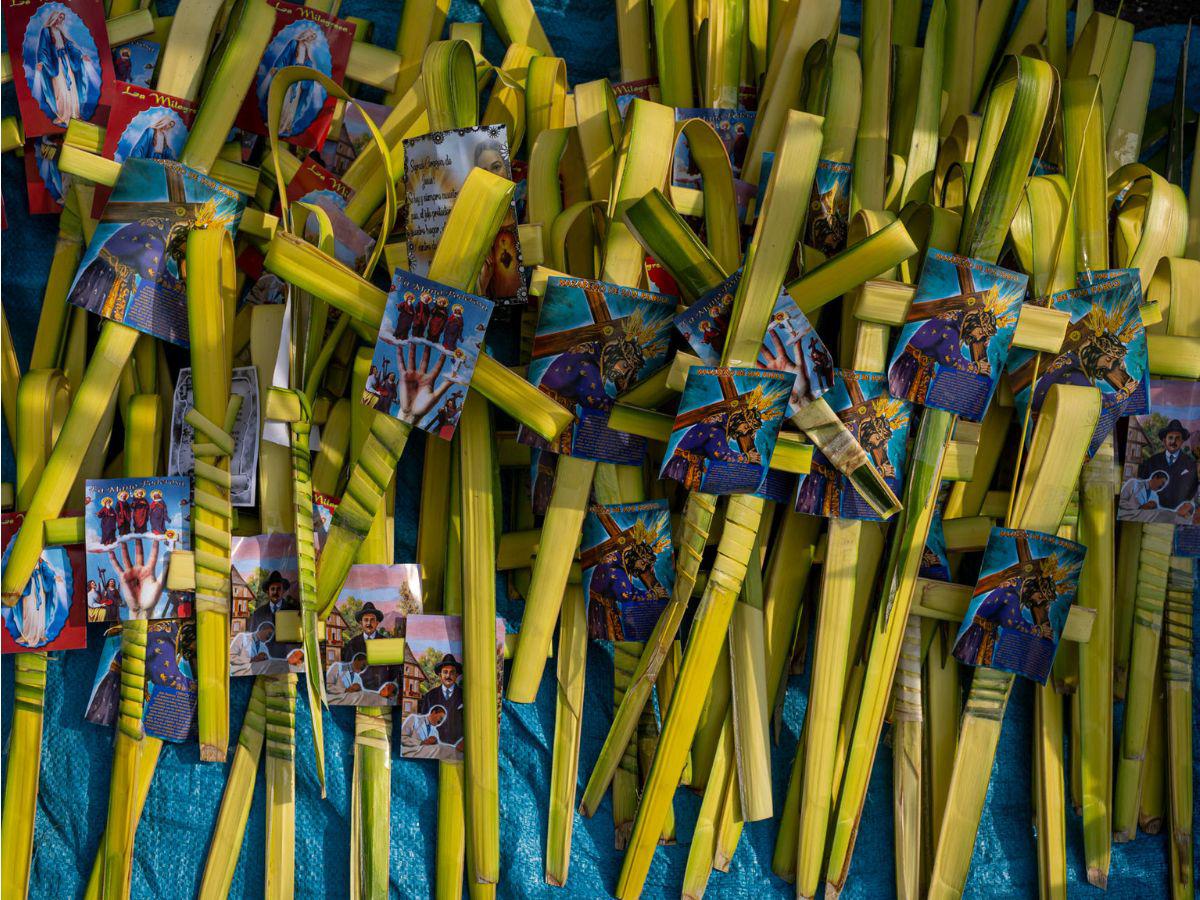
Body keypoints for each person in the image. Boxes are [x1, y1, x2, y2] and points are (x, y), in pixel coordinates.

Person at [889, 305, 998, 403]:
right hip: (911, 369)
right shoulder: (951, 331)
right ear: (974, 322)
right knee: (902, 401)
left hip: (914, 366)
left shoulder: (957, 318)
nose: (978, 337)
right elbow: (952, 362)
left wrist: (983, 339)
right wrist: (976, 367)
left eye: (982, 336)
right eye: (980, 333)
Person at [32, 9, 100, 127]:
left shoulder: (61, 31)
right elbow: (43, 48)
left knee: (72, 88)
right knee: (60, 89)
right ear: (54, 17)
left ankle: (75, 114)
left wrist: (81, 55)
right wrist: (41, 62)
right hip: (55, 64)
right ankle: (63, 115)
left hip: (66, 62)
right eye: (59, 17)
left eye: (62, 19)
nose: (60, 20)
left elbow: (70, 46)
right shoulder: (46, 31)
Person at [259, 25, 325, 137]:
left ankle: (284, 126)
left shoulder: (308, 51)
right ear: (306, 35)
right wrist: (278, 68)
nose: (311, 39)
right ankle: (274, 123)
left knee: (291, 106)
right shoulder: (294, 43)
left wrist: (313, 76)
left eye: (312, 38)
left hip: (298, 82)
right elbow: (284, 57)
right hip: (288, 77)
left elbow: (308, 66)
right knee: (283, 101)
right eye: (310, 37)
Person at [1138, 420, 1197, 512]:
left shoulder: (1190, 464)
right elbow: (1141, 484)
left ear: (1182, 441)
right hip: (1152, 512)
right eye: (1170, 437)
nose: (1173, 441)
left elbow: (1194, 489)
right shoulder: (1152, 461)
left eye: (1177, 438)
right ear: (1164, 440)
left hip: (1178, 513)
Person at [418, 654, 464, 748]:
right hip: (434, 747)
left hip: (458, 748)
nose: (448, 676)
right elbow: (423, 722)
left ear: (456, 675)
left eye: (452, 672)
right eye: (445, 672)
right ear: (440, 675)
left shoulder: (464, 695)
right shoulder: (429, 696)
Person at [249, 570, 297, 659]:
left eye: (279, 589)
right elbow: (252, 639)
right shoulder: (258, 614)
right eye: (273, 589)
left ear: (283, 591)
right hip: (265, 660)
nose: (275, 592)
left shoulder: (293, 611)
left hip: (287, 660)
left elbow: (298, 637)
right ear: (268, 591)